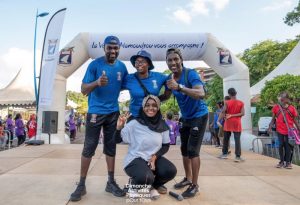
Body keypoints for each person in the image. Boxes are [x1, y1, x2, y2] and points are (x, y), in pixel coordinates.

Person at [69, 35, 128, 202]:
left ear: (119, 49)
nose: (113, 51)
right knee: (89, 147)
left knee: (111, 148)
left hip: (113, 113)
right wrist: (96, 83)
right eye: (109, 47)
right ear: (104, 48)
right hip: (95, 112)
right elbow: (83, 89)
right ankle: (81, 184)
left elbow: (126, 84)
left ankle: (110, 182)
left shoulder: (122, 67)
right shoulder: (94, 65)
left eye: (115, 48)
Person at [115, 95, 177, 199]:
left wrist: (155, 156)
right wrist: (119, 127)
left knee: (170, 171)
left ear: (158, 107)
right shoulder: (134, 123)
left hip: (152, 158)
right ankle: (133, 186)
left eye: (154, 105)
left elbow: (165, 146)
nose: (150, 108)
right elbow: (118, 140)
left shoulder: (163, 125)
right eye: (147, 105)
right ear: (143, 107)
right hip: (135, 158)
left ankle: (152, 187)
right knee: (146, 177)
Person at [166, 48, 208, 198]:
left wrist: (180, 87)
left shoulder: (190, 74)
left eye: (175, 59)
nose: (173, 62)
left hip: (199, 115)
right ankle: (188, 179)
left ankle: (194, 185)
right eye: (170, 60)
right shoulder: (170, 78)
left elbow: (201, 93)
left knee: (192, 150)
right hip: (186, 117)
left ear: (181, 60)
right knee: (184, 149)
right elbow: (165, 95)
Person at [122, 50, 171, 119]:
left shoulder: (159, 77)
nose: (139, 63)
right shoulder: (129, 78)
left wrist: (156, 99)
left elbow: (172, 78)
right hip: (135, 117)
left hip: (152, 118)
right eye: (137, 62)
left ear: (149, 64)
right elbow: (115, 88)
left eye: (142, 61)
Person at [268, 92, 300, 169]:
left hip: (290, 131)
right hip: (279, 130)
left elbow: (295, 121)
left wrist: (299, 129)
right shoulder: (276, 107)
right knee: (280, 145)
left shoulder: (292, 108)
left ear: (286, 99)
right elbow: (273, 119)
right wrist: (270, 127)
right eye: (280, 98)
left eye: (282, 98)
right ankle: (281, 161)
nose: (280, 99)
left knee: (288, 146)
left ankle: (288, 162)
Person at [218, 88, 245, 162]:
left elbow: (223, 112)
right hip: (237, 123)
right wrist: (233, 115)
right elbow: (242, 113)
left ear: (229, 94)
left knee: (226, 138)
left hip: (228, 122)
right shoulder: (241, 103)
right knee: (237, 140)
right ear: (236, 93)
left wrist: (218, 120)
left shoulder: (227, 102)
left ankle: (224, 154)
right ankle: (238, 156)